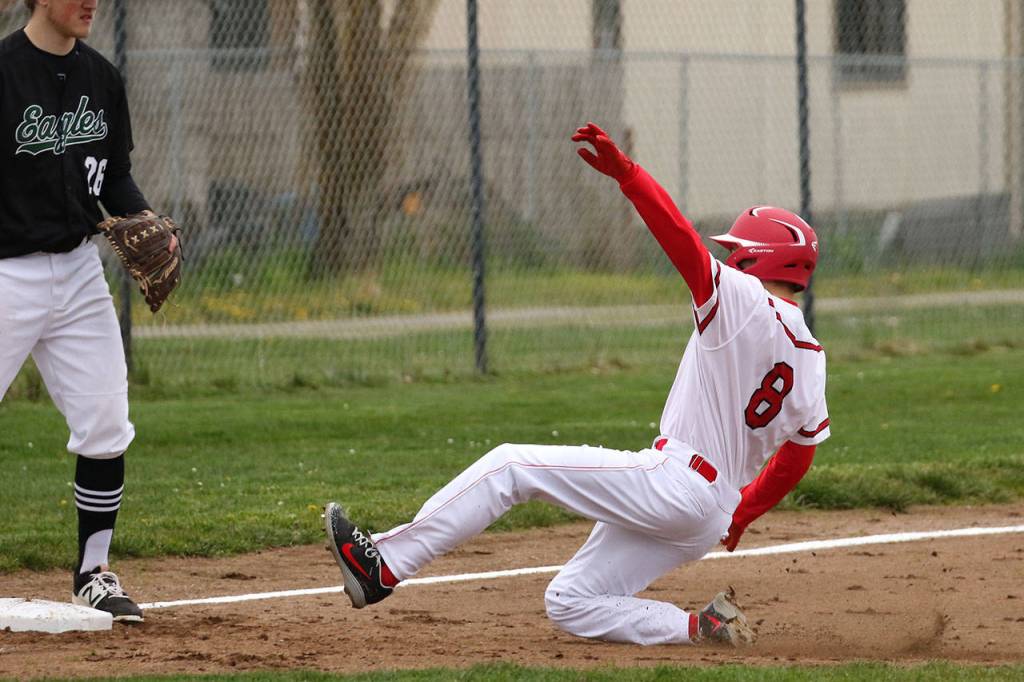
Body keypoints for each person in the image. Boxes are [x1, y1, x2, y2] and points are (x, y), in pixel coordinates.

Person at [322, 122, 830, 646]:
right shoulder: (813, 359)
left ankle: (382, 564)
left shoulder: (743, 300)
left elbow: (681, 242)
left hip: (678, 482)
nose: (726, 258)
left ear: (756, 257)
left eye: (735, 251)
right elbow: (798, 458)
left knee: (512, 466)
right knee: (570, 601)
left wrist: (629, 176)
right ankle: (702, 628)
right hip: (708, 515)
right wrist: (740, 516)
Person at [0, 0, 172, 622]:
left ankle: (93, 572)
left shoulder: (103, 78)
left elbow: (114, 178)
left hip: (77, 272)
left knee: (105, 421)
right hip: (4, 273)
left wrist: (147, 219)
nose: (91, 2)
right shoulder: (4, 70)